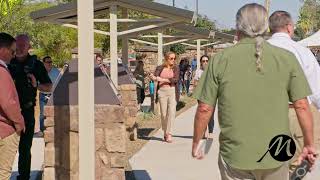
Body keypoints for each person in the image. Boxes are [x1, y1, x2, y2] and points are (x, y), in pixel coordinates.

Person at [192, 3, 316, 180]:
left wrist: (198, 141)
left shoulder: (219, 60)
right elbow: (302, 105)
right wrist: (309, 144)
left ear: (237, 27)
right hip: (276, 153)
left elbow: (204, 108)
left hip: (235, 154)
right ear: (266, 27)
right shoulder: (286, 59)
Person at [268, 11, 320, 172]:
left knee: (271, 166)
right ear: (289, 27)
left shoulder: (258, 52)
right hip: (298, 114)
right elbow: (316, 90)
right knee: (298, 164)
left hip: (267, 114)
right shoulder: (303, 52)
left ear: (270, 29)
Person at [8, 34, 52, 180]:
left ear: (29, 47)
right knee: (5, 147)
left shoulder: (36, 65)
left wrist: (36, 85)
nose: (19, 48)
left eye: (23, 45)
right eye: (17, 45)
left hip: (26, 111)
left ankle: (23, 176)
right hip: (7, 112)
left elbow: (49, 86)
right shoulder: (7, 62)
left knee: (25, 148)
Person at [0, 32, 25, 180]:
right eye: (12, 51)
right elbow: (8, 102)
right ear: (3, 50)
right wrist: (19, 122)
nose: (14, 55)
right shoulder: (1, 71)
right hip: (5, 130)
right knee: (3, 172)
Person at [150, 51, 179, 143]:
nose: (173, 60)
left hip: (172, 91)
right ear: (166, 59)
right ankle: (165, 131)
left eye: (174, 58)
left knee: (171, 112)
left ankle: (169, 133)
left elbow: (175, 79)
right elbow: (155, 76)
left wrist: (163, 79)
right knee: (163, 114)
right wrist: (152, 77)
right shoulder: (160, 68)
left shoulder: (176, 68)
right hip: (162, 91)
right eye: (171, 58)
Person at [37, 56, 60, 134]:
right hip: (43, 95)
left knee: (53, 113)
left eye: (51, 62)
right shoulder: (39, 72)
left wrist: (51, 89)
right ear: (43, 63)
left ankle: (53, 131)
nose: (50, 63)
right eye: (48, 62)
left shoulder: (56, 72)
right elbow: (37, 85)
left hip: (53, 95)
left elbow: (59, 84)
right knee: (42, 113)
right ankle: (42, 131)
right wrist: (47, 88)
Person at [193, 55, 214, 138]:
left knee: (210, 114)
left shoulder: (212, 71)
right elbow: (195, 83)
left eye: (206, 61)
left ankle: (211, 132)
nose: (205, 62)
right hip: (201, 96)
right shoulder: (198, 72)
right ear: (201, 62)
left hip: (211, 95)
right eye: (203, 61)